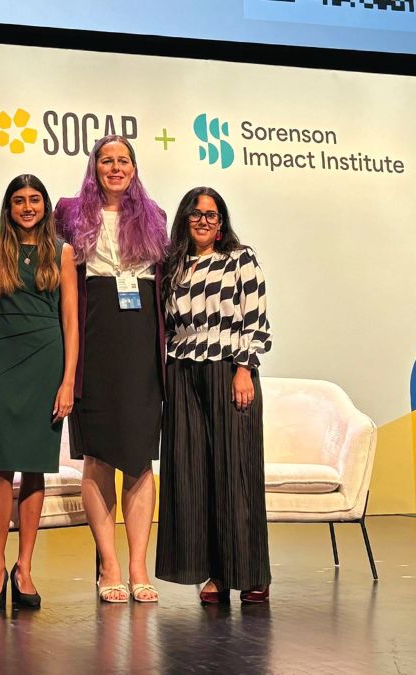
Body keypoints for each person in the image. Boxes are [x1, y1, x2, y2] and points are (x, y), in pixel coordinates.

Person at [53, 135, 167, 604]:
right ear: (94, 167)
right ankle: (109, 565)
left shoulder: (156, 216)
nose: (115, 168)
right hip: (94, 338)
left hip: (141, 342)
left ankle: (138, 565)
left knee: (140, 460)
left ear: (134, 169)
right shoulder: (69, 212)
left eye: (123, 161)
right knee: (98, 456)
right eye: (107, 160)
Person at [156, 186, 273, 604]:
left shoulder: (240, 258)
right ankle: (214, 575)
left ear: (221, 223)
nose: (204, 221)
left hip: (229, 369)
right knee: (192, 475)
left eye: (212, 214)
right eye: (196, 213)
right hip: (182, 372)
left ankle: (251, 573)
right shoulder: (172, 266)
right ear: (184, 219)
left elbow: (255, 319)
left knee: (235, 472)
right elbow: (166, 326)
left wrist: (244, 369)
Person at [0, 174, 79, 610]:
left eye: (35, 199)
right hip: (1, 360)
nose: (27, 207)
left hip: (45, 362)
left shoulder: (62, 252)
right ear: (9, 207)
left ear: (45, 206)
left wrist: (68, 380)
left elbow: (71, 321)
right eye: (19, 200)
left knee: (35, 467)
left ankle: (25, 568)